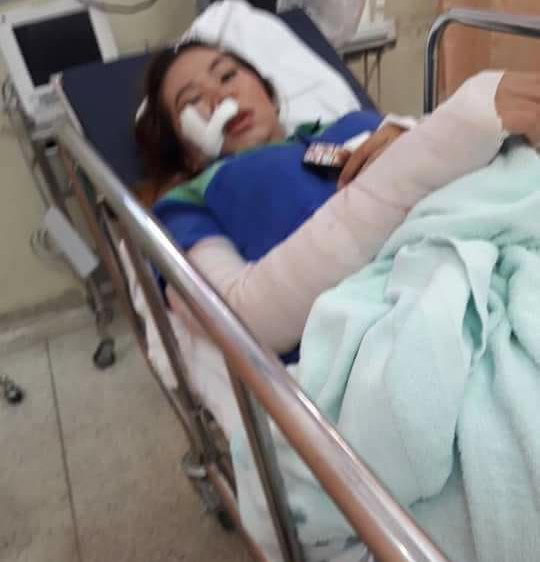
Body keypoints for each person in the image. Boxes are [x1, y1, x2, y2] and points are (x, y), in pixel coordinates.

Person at [136, 40, 540, 362]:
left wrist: (414, 134)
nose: (219, 96)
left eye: (227, 75)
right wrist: (414, 162)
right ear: (186, 153)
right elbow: (242, 315)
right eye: (191, 101)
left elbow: (472, 168)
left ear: (269, 94)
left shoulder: (354, 123)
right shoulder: (187, 204)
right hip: (408, 322)